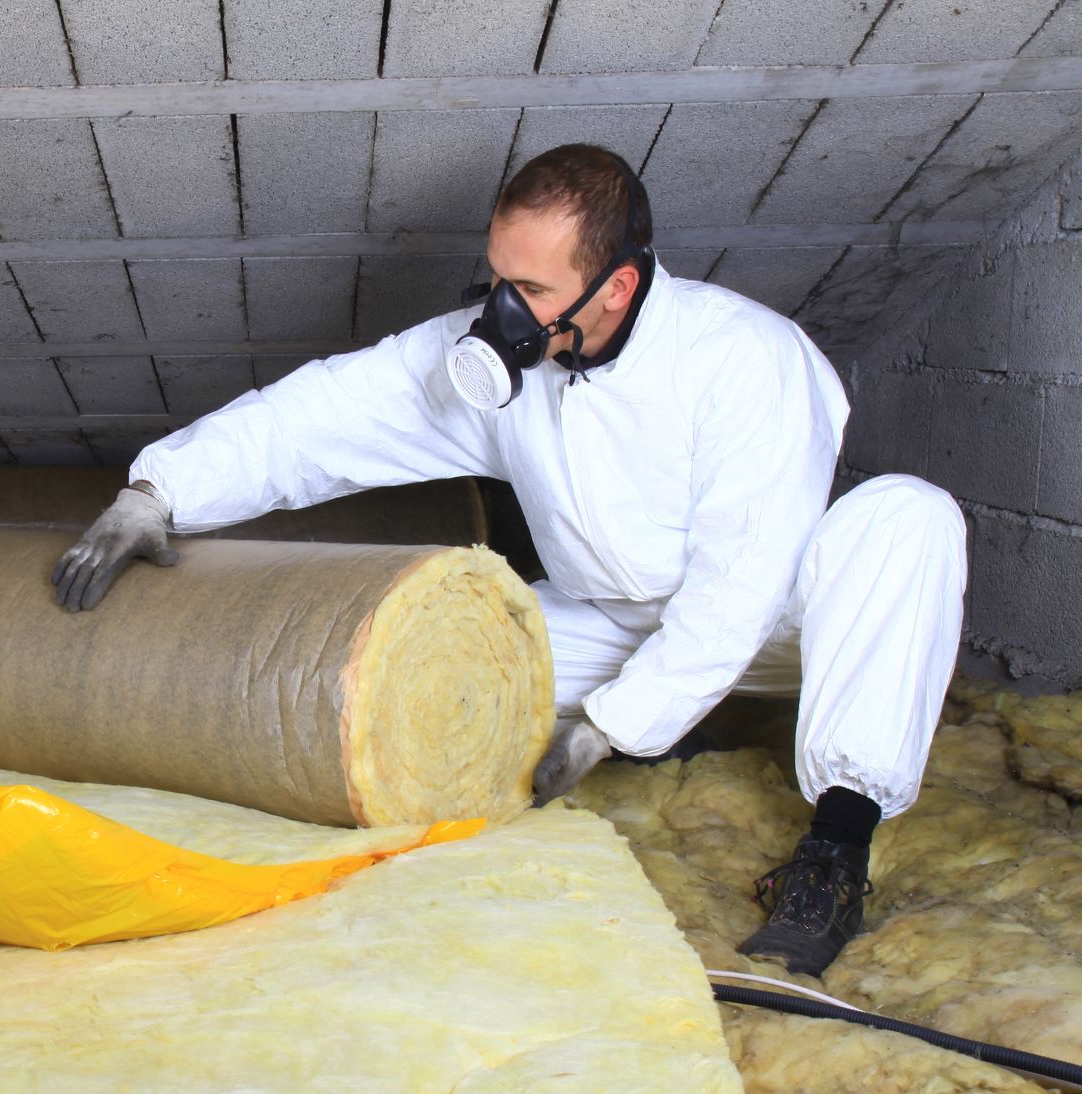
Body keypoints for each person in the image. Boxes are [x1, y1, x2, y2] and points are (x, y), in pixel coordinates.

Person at [49, 144, 967, 979]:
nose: (501, 311)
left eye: (528, 289)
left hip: (787, 622)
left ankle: (838, 851)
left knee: (906, 521)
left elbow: (743, 580)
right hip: (605, 617)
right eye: (497, 278)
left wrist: (614, 724)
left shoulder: (745, 360)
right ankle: (651, 720)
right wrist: (159, 491)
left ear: (614, 285)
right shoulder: (507, 361)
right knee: (409, 694)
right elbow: (330, 413)